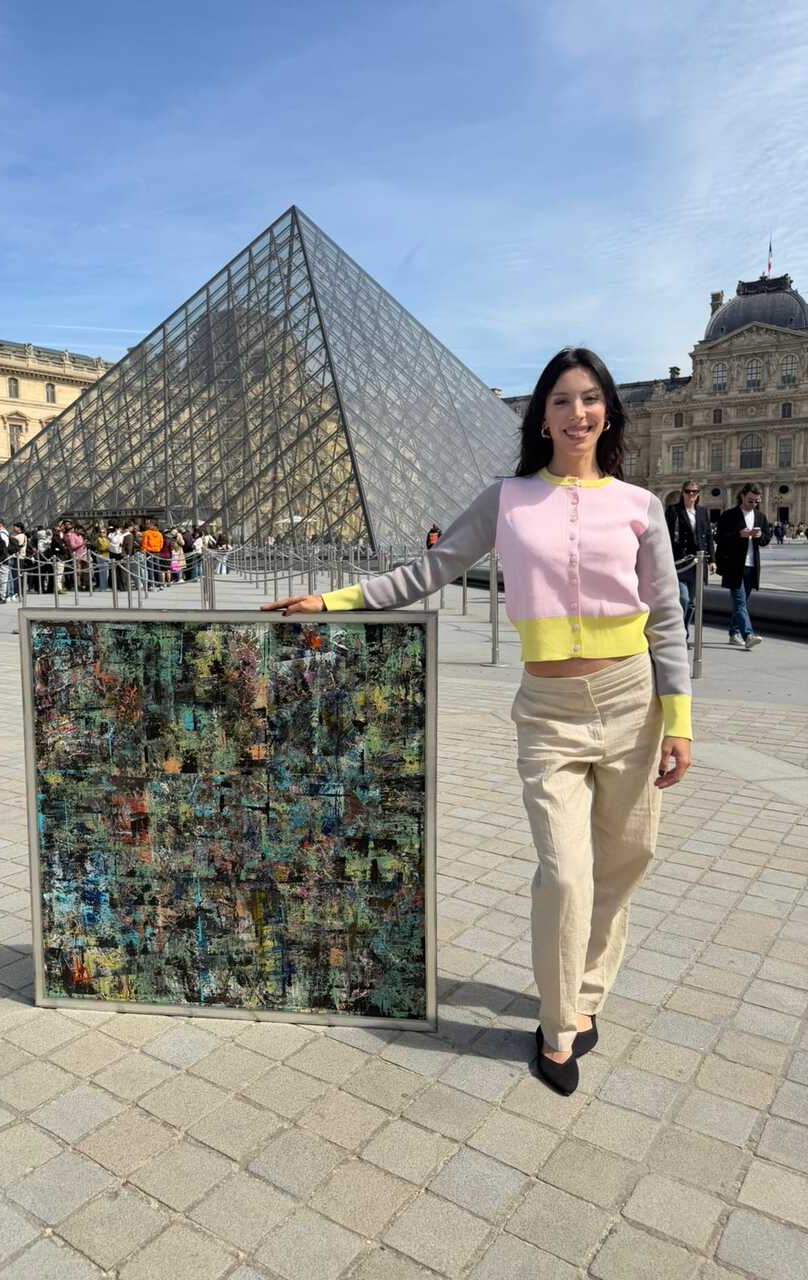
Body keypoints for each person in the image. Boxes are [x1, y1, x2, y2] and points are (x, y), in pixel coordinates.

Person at [265, 347, 692, 1097]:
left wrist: (679, 719)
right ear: (542, 417)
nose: (578, 413)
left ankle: (586, 992)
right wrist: (333, 601)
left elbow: (665, 615)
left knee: (627, 859)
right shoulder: (508, 499)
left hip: (634, 702)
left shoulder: (640, 505)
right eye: (561, 400)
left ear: (609, 412)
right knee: (566, 874)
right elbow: (429, 570)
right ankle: (558, 1028)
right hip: (550, 711)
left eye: (590, 399)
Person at [716, 483, 770, 650]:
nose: (753, 504)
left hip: (752, 566)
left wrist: (759, 536)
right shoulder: (729, 515)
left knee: (742, 603)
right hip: (734, 565)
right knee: (740, 602)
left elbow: (766, 539)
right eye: (750, 501)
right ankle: (748, 635)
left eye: (756, 501)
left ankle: (734, 633)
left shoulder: (760, 516)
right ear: (742, 496)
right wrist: (739, 535)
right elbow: (719, 538)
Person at [665, 480, 715, 634]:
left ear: (698, 494)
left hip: (697, 562)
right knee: (684, 599)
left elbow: (708, 537)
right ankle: (679, 631)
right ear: (683, 493)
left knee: (693, 602)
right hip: (680, 561)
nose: (691, 494)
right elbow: (665, 535)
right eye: (688, 491)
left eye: (694, 491)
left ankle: (684, 631)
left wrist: (712, 560)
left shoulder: (702, 511)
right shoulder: (673, 510)